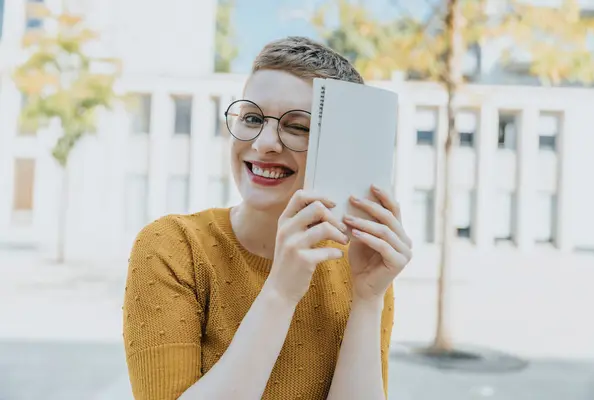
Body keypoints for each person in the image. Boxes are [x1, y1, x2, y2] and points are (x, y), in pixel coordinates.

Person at [122, 36, 413, 400]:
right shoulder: (172, 246)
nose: (264, 143)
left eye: (297, 126)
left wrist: (369, 300)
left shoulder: (361, 266)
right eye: (253, 118)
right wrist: (280, 292)